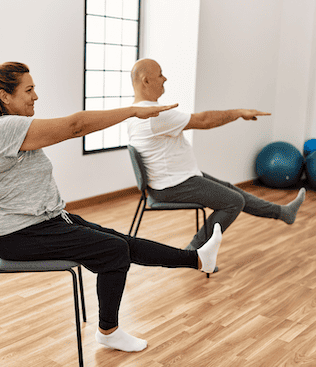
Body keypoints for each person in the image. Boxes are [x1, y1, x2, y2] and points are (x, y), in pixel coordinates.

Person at [0, 62, 223, 353]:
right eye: (28, 90)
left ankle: (198, 259)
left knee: (122, 242)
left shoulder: (12, 126)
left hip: (44, 222)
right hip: (19, 235)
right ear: (5, 96)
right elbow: (75, 126)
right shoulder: (2, 128)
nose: (35, 96)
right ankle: (108, 331)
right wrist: (133, 111)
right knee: (113, 251)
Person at [127, 58, 306, 250]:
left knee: (231, 191)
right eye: (160, 74)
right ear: (146, 80)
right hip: (173, 185)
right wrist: (239, 112)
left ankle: (283, 212)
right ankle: (192, 254)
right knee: (233, 202)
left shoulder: (137, 113)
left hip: (175, 179)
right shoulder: (154, 115)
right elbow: (204, 121)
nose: (165, 79)